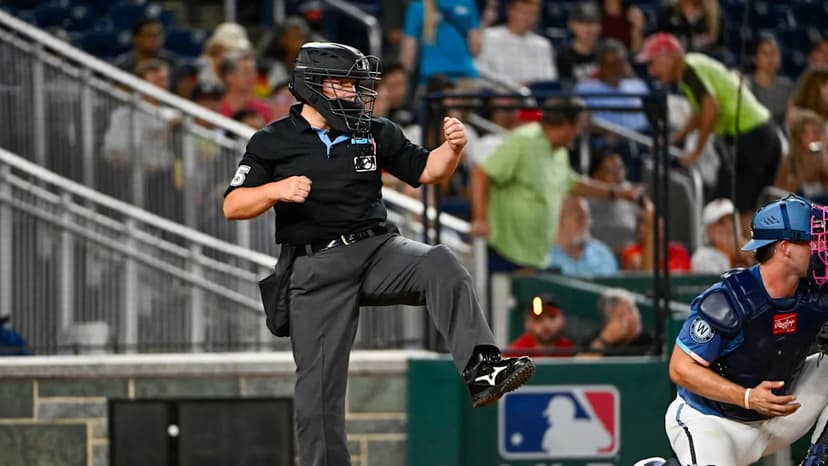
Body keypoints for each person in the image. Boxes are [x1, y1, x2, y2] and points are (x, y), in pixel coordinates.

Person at [222, 42, 535, 466]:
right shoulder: (273, 140)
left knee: (440, 262)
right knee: (318, 392)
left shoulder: (373, 129)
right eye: (345, 83)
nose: (355, 93)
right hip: (316, 265)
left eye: (357, 84)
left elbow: (427, 169)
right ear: (313, 85)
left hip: (378, 249)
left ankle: (484, 369)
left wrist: (453, 148)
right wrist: (276, 189)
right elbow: (233, 204)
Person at [664, 195, 828, 465]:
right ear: (785, 248)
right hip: (713, 422)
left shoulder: (816, 290)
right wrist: (747, 397)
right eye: (813, 239)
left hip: (777, 416)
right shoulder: (729, 299)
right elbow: (680, 368)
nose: (821, 247)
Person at [471, 96, 641, 272]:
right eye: (579, 126)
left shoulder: (559, 151)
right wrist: (481, 219)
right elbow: (481, 174)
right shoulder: (524, 140)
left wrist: (616, 193)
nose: (580, 133)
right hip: (505, 254)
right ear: (567, 125)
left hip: (536, 255)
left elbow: (571, 183)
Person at [638, 32, 782, 229]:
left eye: (652, 63)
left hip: (750, 137)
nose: (651, 71)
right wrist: (673, 140)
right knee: (742, 207)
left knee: (730, 209)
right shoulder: (694, 66)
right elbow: (700, 114)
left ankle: (745, 247)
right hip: (763, 134)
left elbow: (711, 108)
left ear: (668, 55)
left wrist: (697, 151)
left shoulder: (688, 68)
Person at [474, 0, 557, 86]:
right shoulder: (488, 37)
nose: (527, 18)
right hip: (497, 91)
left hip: (534, 93)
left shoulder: (543, 45)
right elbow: (480, 71)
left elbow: (548, 78)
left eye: (532, 13)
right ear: (510, 11)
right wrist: (512, 85)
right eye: (523, 12)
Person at [400, 0, 481, 86]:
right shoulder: (467, 3)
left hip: (432, 79)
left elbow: (408, 56)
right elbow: (475, 49)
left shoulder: (417, 7)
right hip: (465, 77)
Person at [547, 195, 618, 277]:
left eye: (587, 218)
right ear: (560, 219)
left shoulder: (601, 253)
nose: (585, 223)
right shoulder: (543, 256)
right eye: (580, 218)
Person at [775, 110, 828, 198]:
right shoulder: (789, 161)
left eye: (819, 132)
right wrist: (801, 176)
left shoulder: (822, 156)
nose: (817, 137)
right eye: (813, 132)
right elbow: (777, 195)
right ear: (800, 136)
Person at [586, 288, 656, 356]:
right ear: (608, 321)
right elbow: (584, 361)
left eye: (631, 310)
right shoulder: (596, 339)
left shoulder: (652, 341)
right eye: (621, 316)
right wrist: (605, 339)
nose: (631, 318)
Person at [748, 34, 794, 129]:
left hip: (780, 134)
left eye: (774, 53)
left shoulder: (786, 86)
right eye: (764, 53)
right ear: (754, 58)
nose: (770, 57)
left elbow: (790, 120)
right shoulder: (746, 84)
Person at [507, 293, 575, 357]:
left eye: (552, 317)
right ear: (528, 322)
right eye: (538, 319)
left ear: (562, 319)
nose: (546, 324)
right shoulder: (515, 353)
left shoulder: (570, 350)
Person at [691, 198, 747, 274]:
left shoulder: (752, 252)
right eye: (720, 222)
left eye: (732, 219)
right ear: (708, 230)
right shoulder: (702, 257)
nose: (729, 226)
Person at [218, 50, 274, 123]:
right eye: (247, 72)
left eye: (254, 71)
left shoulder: (265, 110)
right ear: (230, 77)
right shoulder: (216, 109)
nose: (253, 76)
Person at [656, 0, 725, 56]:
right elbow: (658, 45)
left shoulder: (716, 16)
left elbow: (723, 50)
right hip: (674, 66)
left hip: (704, 65)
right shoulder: (668, 11)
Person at [556, 1, 602, 85]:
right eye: (582, 23)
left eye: (592, 22)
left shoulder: (607, 54)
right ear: (571, 25)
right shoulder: (562, 57)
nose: (588, 28)